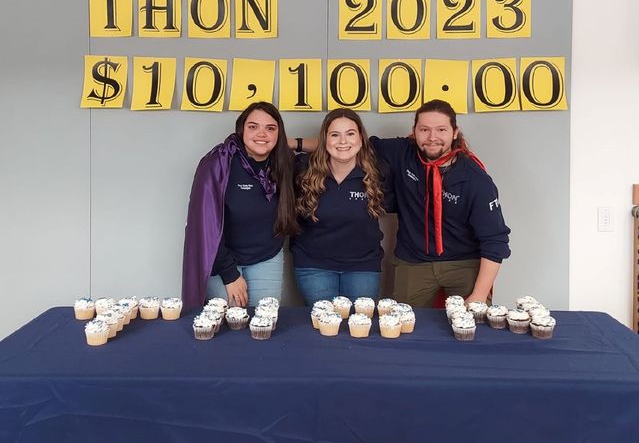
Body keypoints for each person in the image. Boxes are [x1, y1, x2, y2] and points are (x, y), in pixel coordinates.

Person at [369, 99, 511, 306]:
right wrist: (302, 144)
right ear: (414, 131)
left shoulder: (476, 179)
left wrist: (479, 295)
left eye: (441, 130)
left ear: (455, 132)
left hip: (464, 263)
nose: (432, 137)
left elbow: (496, 241)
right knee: (405, 328)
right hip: (413, 261)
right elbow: (350, 144)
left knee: (470, 329)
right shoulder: (402, 153)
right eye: (424, 129)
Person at [182, 102, 298, 309]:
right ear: (241, 130)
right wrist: (230, 275)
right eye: (253, 127)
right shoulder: (217, 164)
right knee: (227, 326)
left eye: (270, 128)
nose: (261, 134)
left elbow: (333, 147)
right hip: (222, 259)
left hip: (266, 257)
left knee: (264, 325)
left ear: (279, 134)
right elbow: (205, 227)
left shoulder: (285, 163)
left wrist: (296, 144)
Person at [291, 108, 387, 305]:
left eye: (350, 134)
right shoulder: (302, 169)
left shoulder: (378, 171)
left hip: (363, 267)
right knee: (324, 329)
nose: (343, 141)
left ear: (361, 139)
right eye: (335, 135)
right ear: (324, 140)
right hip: (314, 267)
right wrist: (293, 143)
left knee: (359, 329)